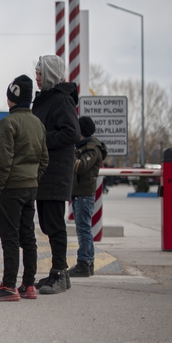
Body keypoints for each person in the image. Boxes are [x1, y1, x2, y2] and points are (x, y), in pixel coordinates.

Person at [0, 75, 49, 302]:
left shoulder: (8, 123)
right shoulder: (38, 124)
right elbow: (45, 159)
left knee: (10, 238)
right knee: (28, 236)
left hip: (10, 190)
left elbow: (3, 160)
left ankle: (8, 285)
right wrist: (33, 179)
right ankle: (28, 284)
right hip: (30, 188)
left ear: (11, 97)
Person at [32, 55, 81, 294]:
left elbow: (72, 133)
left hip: (55, 172)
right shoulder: (43, 99)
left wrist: (43, 140)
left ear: (50, 74)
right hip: (43, 172)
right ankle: (56, 273)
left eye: (40, 74)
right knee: (47, 224)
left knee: (54, 224)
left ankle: (60, 272)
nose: (37, 78)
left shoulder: (61, 100)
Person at [68, 116, 108, 278]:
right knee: (83, 228)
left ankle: (84, 262)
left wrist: (69, 153)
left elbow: (81, 166)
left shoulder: (92, 148)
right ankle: (88, 261)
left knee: (83, 229)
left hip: (84, 194)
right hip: (79, 193)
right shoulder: (84, 147)